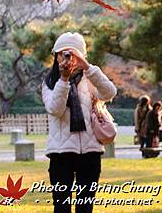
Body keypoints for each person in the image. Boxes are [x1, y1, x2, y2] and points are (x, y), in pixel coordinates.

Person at [42, 32, 116, 213]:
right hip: (61, 153)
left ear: (81, 55)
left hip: (90, 153)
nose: (67, 58)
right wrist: (64, 80)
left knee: (85, 206)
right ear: (56, 56)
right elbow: (55, 109)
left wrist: (88, 67)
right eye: (62, 54)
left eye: (72, 54)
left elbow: (109, 93)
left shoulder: (91, 79)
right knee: (61, 207)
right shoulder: (50, 82)